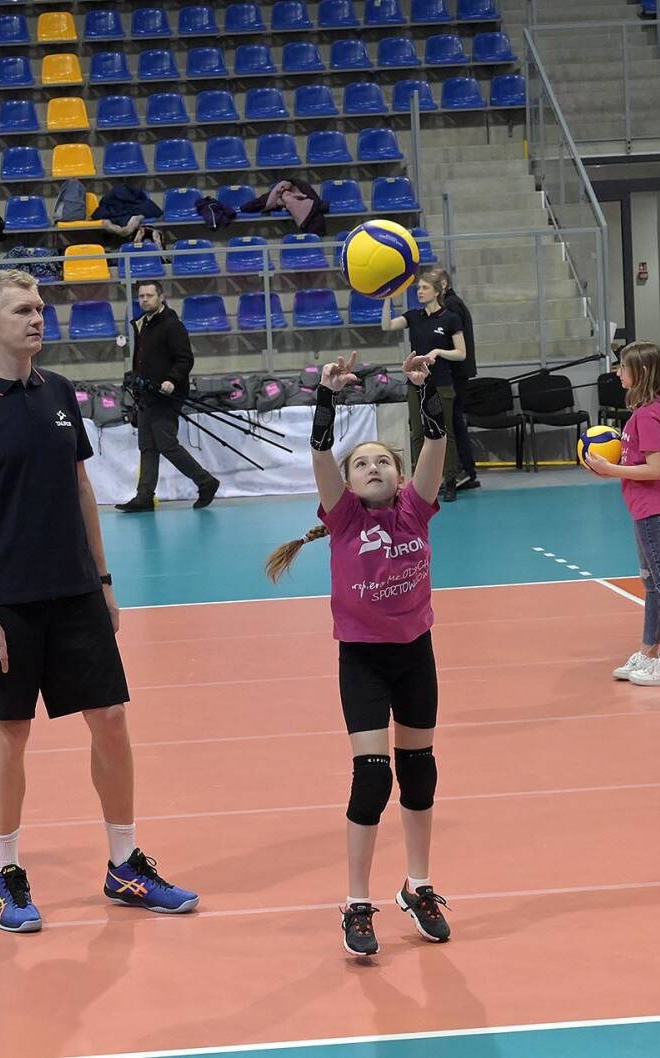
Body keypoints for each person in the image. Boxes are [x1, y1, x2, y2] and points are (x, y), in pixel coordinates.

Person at [0, 269, 198, 934]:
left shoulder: (56, 391)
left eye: (40, 309)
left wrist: (103, 580)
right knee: (11, 732)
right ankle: (7, 873)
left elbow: (81, 488)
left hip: (76, 589)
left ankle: (124, 864)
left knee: (110, 718)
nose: (37, 319)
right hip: (9, 602)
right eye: (23, 310)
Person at [264, 350, 453, 959]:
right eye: (363, 463)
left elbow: (435, 444)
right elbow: (322, 453)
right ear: (348, 484)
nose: (374, 467)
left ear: (399, 476)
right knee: (372, 777)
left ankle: (418, 885)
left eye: (384, 461)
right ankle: (356, 901)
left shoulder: (415, 510)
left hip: (415, 653)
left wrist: (424, 390)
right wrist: (326, 396)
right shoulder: (344, 518)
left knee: (419, 772)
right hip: (365, 660)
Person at [584, 341, 660, 687]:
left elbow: (655, 469)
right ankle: (648, 652)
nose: (617, 373)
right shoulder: (645, 410)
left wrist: (610, 470)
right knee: (652, 584)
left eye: (622, 367)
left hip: (653, 508)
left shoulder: (648, 415)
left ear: (640, 372)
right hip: (644, 507)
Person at [115, 280, 220, 513]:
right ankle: (144, 496)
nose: (144, 300)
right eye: (141, 296)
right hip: (146, 395)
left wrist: (172, 380)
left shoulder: (172, 325)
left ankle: (206, 481)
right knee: (147, 447)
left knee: (167, 444)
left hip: (166, 397)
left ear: (161, 297)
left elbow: (185, 359)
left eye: (149, 295)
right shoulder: (143, 323)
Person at [382, 272, 466, 502]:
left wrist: (439, 351)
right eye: (418, 288)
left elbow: (461, 353)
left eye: (424, 288)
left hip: (442, 383)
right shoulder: (413, 316)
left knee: (445, 433)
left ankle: (450, 480)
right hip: (416, 384)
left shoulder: (450, 318)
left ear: (437, 291)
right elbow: (387, 325)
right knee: (418, 433)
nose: (420, 291)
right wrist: (387, 298)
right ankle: (424, 482)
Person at [423, 267, 479, 493]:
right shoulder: (454, 303)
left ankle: (463, 470)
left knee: (454, 423)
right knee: (455, 421)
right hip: (457, 372)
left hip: (456, 373)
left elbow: (451, 340)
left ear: (443, 285)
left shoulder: (451, 306)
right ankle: (465, 470)